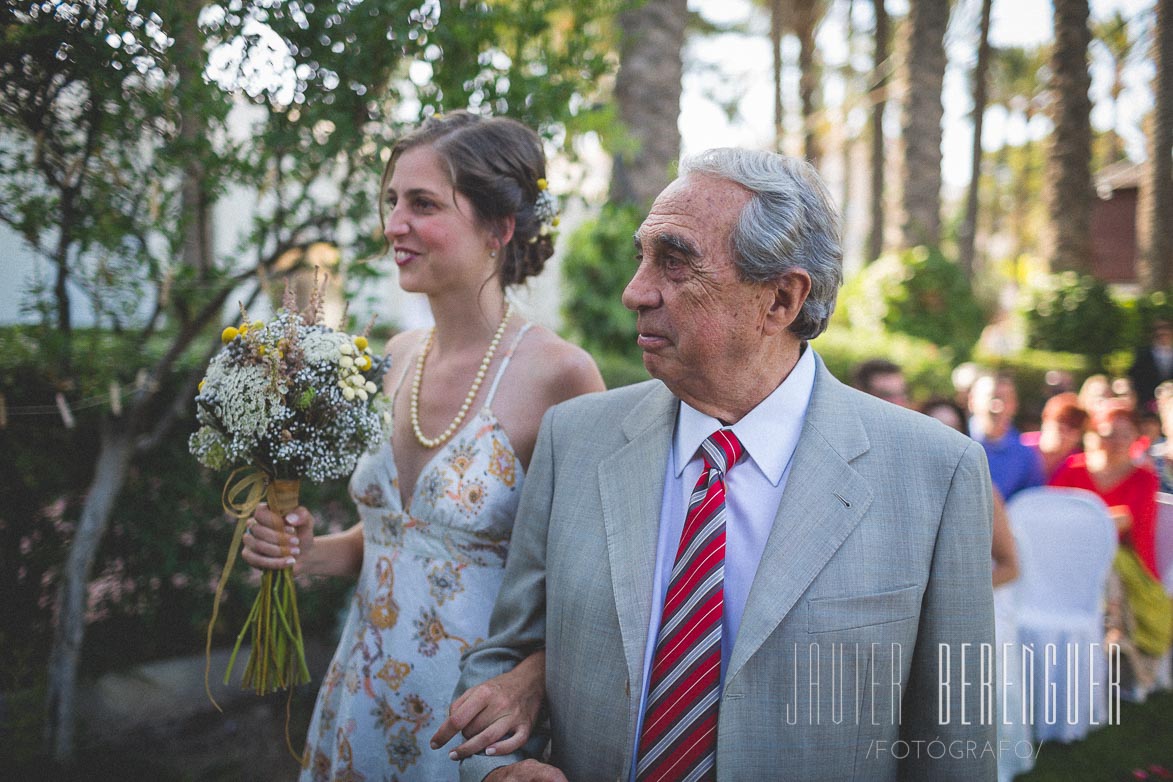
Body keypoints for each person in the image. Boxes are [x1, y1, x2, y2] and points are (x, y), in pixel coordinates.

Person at [446, 148, 997, 781]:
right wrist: (502, 768)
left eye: (675, 263)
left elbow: (958, 741)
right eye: (643, 256)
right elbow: (506, 653)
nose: (634, 291)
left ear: (781, 300)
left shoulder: (937, 473)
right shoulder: (576, 437)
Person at [241, 111, 605, 780]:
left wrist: (532, 679)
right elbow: (398, 537)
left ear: (499, 228)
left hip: (469, 720)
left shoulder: (560, 375)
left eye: (423, 203)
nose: (393, 225)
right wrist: (307, 553)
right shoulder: (398, 355)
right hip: (362, 695)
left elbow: (603, 585)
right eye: (391, 201)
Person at [1048, 400, 1170, 698]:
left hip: (1123, 563)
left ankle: (1119, 646)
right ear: (1092, 434)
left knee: (1108, 569)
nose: (1113, 441)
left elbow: (1127, 521)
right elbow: (1050, 513)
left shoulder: (1143, 477)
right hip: (1066, 559)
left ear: (1134, 439)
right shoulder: (1072, 469)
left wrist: (1080, 521)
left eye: (1123, 434)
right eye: (1106, 432)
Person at [968, 372, 1045, 500]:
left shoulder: (1024, 456)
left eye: (1004, 399)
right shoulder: (953, 441)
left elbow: (1031, 504)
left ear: (1015, 406)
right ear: (972, 401)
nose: (997, 407)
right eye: (991, 397)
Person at [1019, 391, 1087, 481]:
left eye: (1074, 424)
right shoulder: (1021, 446)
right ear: (1045, 418)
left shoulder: (1079, 464)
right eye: (1061, 420)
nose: (1065, 429)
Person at [1128, 319, 1173, 415]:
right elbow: (1135, 381)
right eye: (1158, 329)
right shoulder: (1142, 356)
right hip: (1149, 411)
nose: (1162, 332)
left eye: (1166, 328)